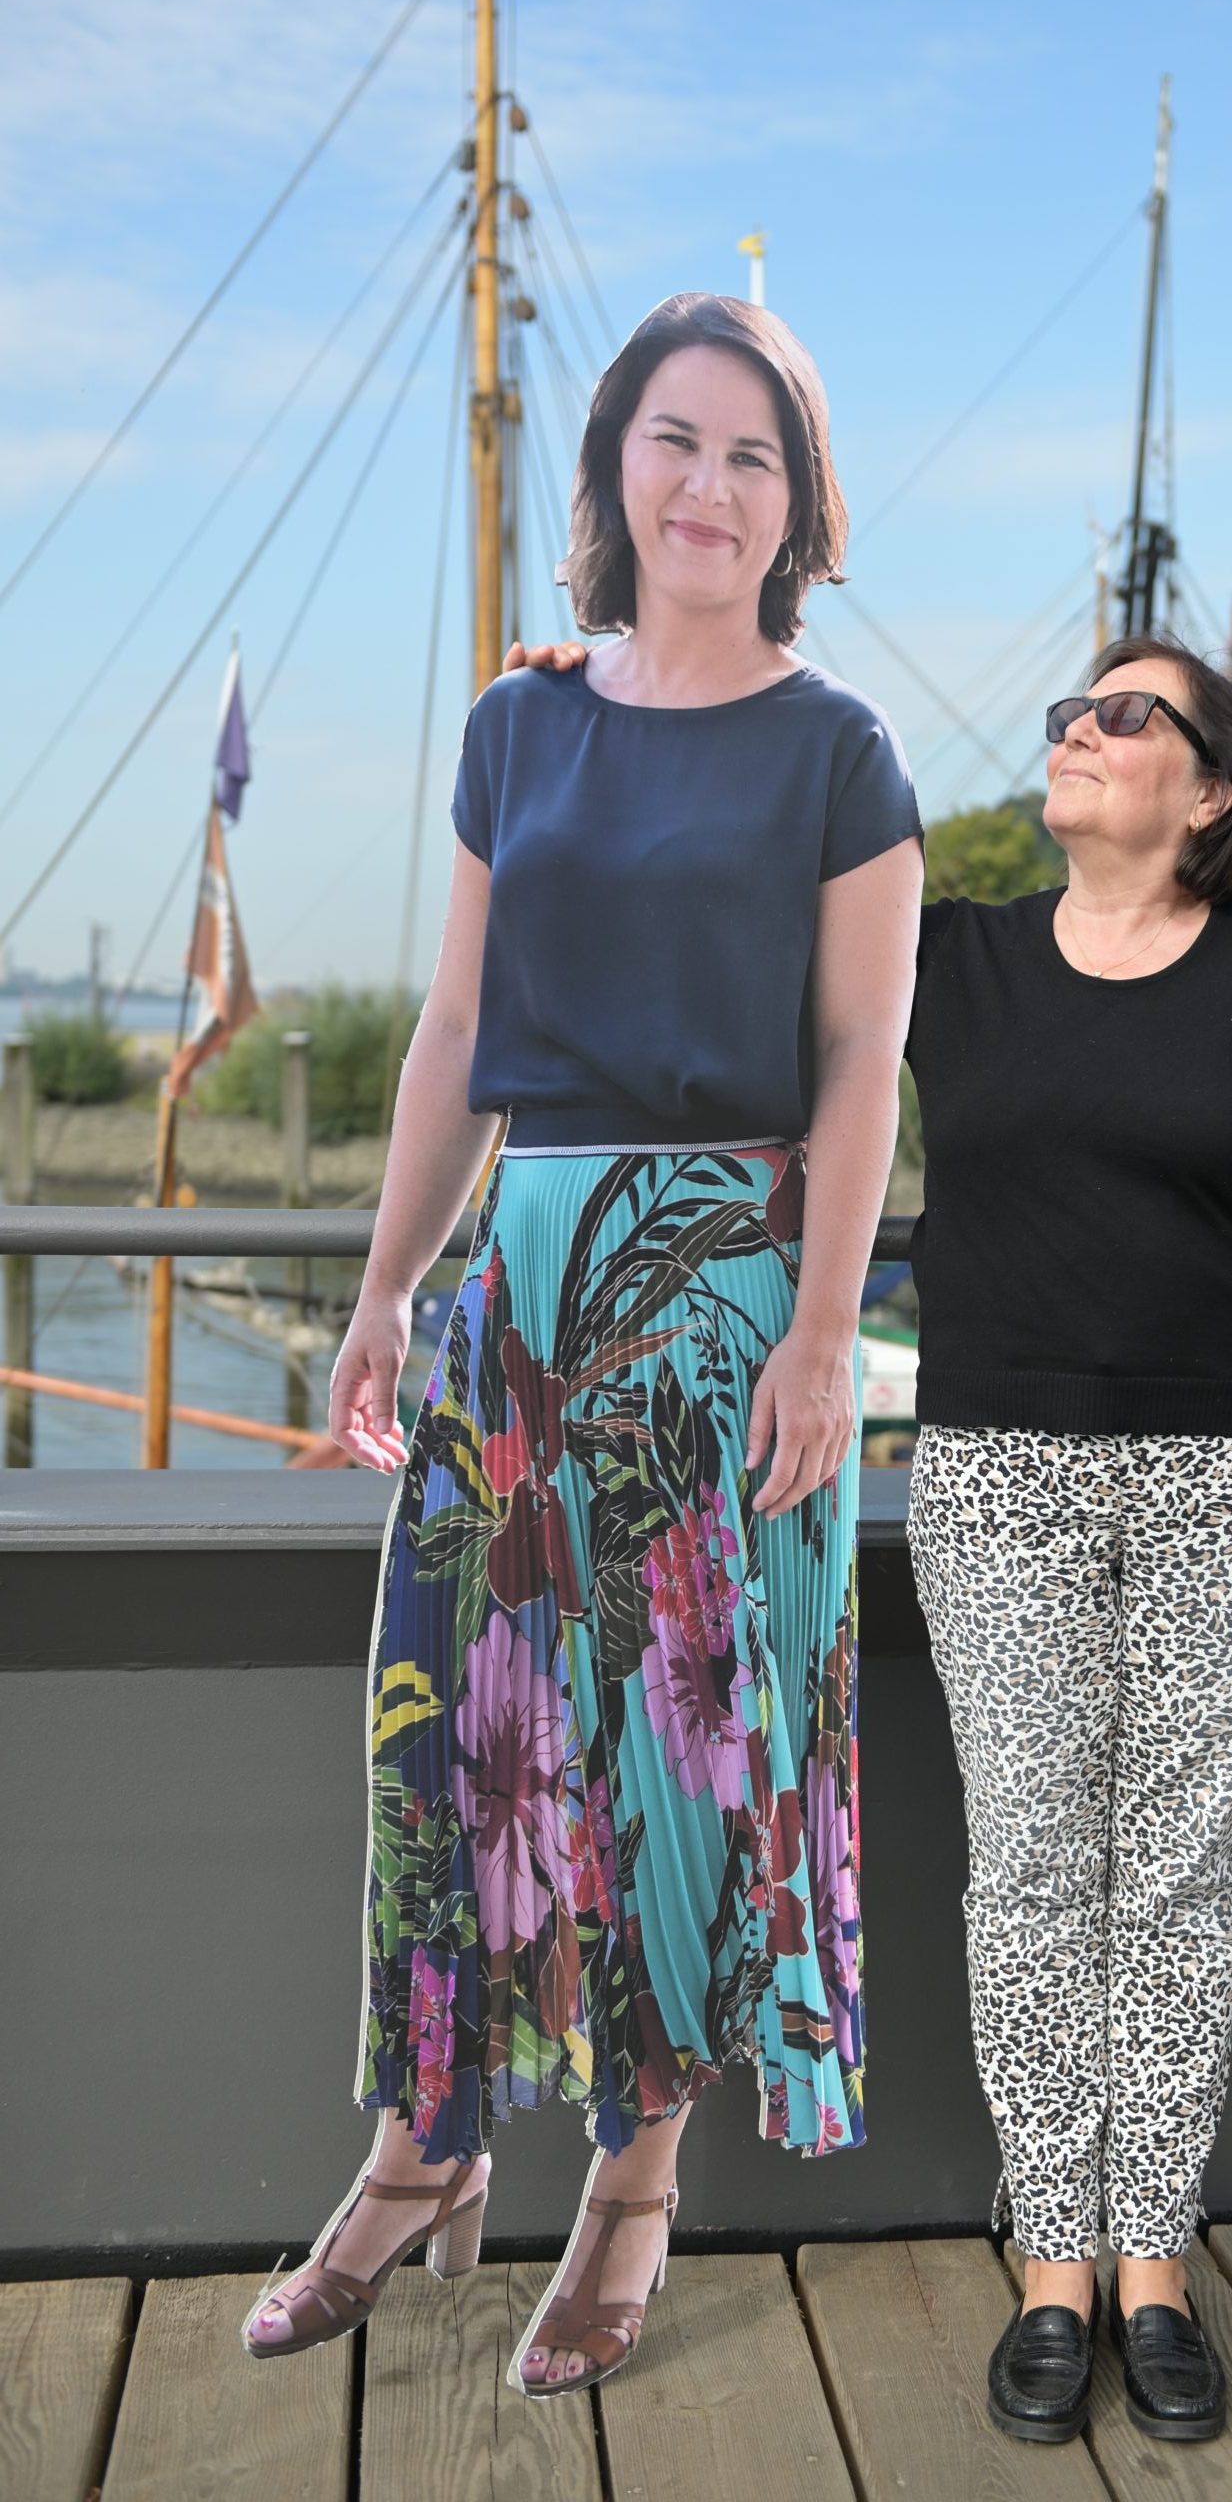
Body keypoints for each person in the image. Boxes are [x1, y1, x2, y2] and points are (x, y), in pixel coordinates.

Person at [240, 292, 923, 2399]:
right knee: (456, 1741)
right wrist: (380, 1287)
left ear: (793, 510)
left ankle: (633, 2183)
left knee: (682, 1764)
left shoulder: (841, 749)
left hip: (727, 1299)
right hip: (516, 1294)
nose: (709, 485)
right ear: (614, 462)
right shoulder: (515, 724)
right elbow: (454, 1031)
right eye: (679, 440)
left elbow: (863, 1051)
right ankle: (414, 2148)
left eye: (755, 459)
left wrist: (828, 1327)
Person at [903, 635, 1232, 2444]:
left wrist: (1211, 1185)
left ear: (1208, 793)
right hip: (997, 1469)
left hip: (1227, 1475)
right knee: (1032, 1868)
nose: (1080, 728)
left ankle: (1154, 2262)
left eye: (1128, 715)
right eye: (1073, 708)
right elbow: (751, 878)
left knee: (1179, 1877)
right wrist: (604, 695)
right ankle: (1053, 2257)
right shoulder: (946, 954)